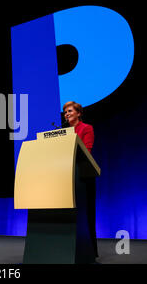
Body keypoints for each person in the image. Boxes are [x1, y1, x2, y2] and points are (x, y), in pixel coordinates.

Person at [63, 100, 98, 257]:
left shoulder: (86, 128)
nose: (67, 114)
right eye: (65, 112)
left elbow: (87, 151)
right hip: (67, 177)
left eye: (70, 111)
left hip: (83, 177)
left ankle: (90, 251)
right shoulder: (63, 132)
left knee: (86, 215)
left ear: (78, 113)